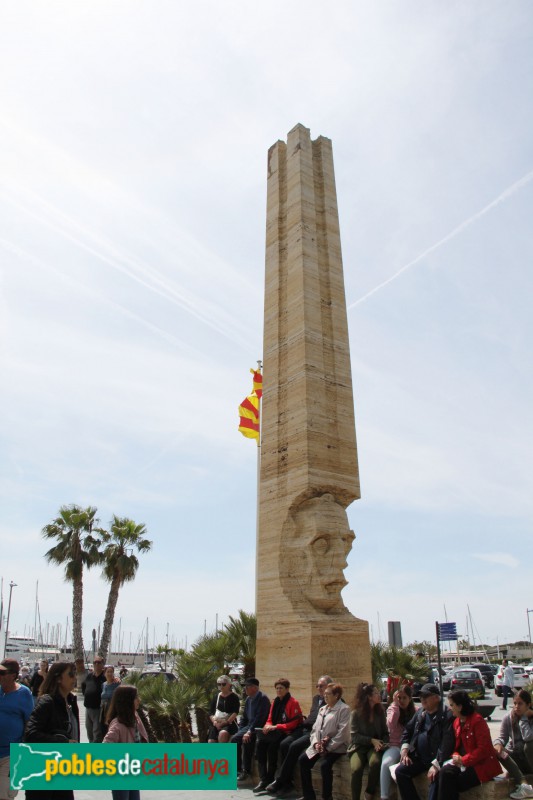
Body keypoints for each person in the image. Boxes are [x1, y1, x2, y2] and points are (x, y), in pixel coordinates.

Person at [267, 674, 334, 796]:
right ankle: (282, 782)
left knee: (293, 746)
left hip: (316, 734)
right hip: (304, 728)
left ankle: (280, 780)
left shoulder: (333, 702)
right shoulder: (316, 699)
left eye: (322, 686)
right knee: (282, 744)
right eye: (317, 686)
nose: (319, 688)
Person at [23, 661, 79, 800]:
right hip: (41, 769)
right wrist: (63, 742)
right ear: (58, 678)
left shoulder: (72, 702)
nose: (75, 678)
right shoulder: (47, 701)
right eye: (71, 674)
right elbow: (31, 734)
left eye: (75, 674)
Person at [436, 689, 501, 800]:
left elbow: (484, 749)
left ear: (460, 707)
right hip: (463, 763)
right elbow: (456, 746)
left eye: (452, 705)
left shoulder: (477, 721)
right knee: (444, 773)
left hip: (481, 765)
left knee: (453, 783)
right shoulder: (456, 722)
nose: (450, 708)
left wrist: (464, 760)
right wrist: (456, 757)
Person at [395, 683, 454, 800]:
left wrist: (436, 764)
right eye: (421, 697)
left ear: (436, 698)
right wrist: (405, 749)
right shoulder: (421, 713)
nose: (422, 700)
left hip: (436, 760)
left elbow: (447, 743)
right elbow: (408, 730)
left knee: (435, 784)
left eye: (426, 696)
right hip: (419, 758)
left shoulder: (447, 715)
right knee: (401, 772)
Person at [298, 682, 351, 800]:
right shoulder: (322, 709)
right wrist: (316, 743)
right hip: (320, 745)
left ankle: (327, 797)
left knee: (325, 766)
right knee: (303, 760)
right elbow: (315, 729)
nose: (325, 696)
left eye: (328, 694)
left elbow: (343, 733)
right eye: (325, 694)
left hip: (336, 747)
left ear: (336, 695)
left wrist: (327, 748)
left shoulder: (344, 709)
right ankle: (309, 795)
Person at [254, 678, 303, 793]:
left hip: (286, 732)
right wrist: (267, 726)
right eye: (277, 688)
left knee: (273, 748)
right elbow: (270, 718)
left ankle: (274, 778)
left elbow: (294, 723)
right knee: (260, 744)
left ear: (287, 689)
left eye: (281, 688)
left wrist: (277, 727)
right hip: (274, 731)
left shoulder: (293, 702)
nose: (279, 690)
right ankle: (263, 778)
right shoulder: (275, 702)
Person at [103, 685, 148, 800]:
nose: (139, 700)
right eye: (135, 697)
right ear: (127, 701)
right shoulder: (118, 724)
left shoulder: (134, 717)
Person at [348, 682, 389, 800]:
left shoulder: (380, 712)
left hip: (374, 747)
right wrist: (371, 740)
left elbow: (385, 733)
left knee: (375, 763)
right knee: (356, 769)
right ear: (369, 697)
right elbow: (354, 736)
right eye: (376, 693)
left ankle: (369, 792)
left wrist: (382, 744)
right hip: (359, 747)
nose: (379, 695)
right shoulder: (355, 713)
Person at [0, 659, 33, 800]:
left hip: (11, 754)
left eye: (2, 672)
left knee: (4, 794)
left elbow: (30, 723)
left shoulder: (24, 694)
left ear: (13, 675)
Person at [493, 689, 533, 799]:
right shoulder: (508, 717)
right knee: (497, 751)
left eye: (520, 704)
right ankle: (523, 783)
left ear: (528, 705)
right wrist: (498, 744)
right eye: (515, 703)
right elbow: (502, 737)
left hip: (530, 759)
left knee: (529, 746)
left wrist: (524, 719)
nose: (517, 707)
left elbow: (528, 737)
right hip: (517, 757)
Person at [380, 686, 416, 800]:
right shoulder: (393, 708)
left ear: (410, 698)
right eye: (399, 697)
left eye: (404, 698)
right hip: (395, 746)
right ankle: (384, 796)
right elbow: (390, 725)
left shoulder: (416, 711)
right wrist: (395, 705)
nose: (401, 700)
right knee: (386, 763)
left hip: (411, 748)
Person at [231, 678, 270, 781]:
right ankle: (238, 769)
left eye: (247, 686)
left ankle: (246, 770)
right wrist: (241, 730)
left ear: (254, 687)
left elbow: (260, 719)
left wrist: (249, 731)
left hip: (258, 727)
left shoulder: (263, 699)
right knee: (235, 739)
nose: (245, 689)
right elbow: (244, 717)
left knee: (246, 740)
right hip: (249, 726)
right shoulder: (248, 699)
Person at [208, 675, 240, 743]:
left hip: (229, 723)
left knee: (223, 734)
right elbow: (211, 712)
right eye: (219, 684)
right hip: (216, 722)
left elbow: (235, 712)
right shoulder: (216, 696)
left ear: (229, 685)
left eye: (223, 684)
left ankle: (223, 753)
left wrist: (226, 722)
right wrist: (214, 722)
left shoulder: (234, 697)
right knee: (211, 740)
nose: (221, 686)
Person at [81, 656, 106, 742]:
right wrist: (87, 695)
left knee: (97, 733)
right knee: (89, 732)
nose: (96, 664)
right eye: (95, 662)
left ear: (103, 664)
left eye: (98, 662)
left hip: (98, 709)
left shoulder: (105, 678)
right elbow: (83, 686)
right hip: (88, 708)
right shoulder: (89, 676)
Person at [100, 665, 120, 738]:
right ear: (104, 673)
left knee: (111, 730)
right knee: (103, 730)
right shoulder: (103, 684)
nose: (109, 674)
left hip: (113, 710)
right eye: (108, 672)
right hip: (103, 711)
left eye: (111, 672)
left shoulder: (117, 683)